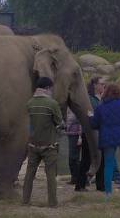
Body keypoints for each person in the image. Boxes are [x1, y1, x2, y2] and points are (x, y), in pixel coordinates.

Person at [22, 77, 64, 207]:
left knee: (29, 174)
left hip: (33, 144)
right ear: (47, 88)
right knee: (51, 175)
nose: (52, 91)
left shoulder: (29, 103)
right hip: (49, 146)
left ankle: (25, 200)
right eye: (51, 88)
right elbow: (59, 122)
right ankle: (52, 203)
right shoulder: (52, 104)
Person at [74, 77, 102, 192]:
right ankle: (80, 184)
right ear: (95, 85)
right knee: (86, 159)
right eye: (101, 84)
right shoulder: (89, 99)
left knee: (100, 158)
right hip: (89, 133)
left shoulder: (100, 99)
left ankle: (98, 184)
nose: (103, 86)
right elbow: (87, 115)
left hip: (99, 132)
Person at [66, 108, 82, 185]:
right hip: (70, 134)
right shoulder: (69, 109)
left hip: (76, 135)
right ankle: (74, 178)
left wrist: (80, 137)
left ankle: (77, 178)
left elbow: (81, 123)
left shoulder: (77, 109)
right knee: (72, 158)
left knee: (74, 157)